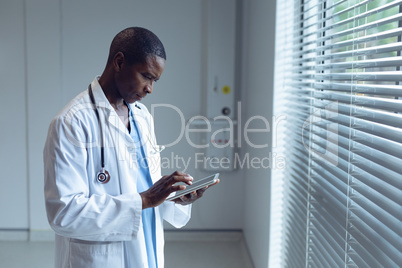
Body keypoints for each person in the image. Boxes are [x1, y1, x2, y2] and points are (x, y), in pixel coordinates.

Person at [44, 27, 218, 268]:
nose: (150, 89)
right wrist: (143, 200)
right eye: (146, 76)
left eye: (155, 81)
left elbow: (145, 185)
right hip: (101, 258)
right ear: (119, 62)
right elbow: (63, 213)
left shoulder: (142, 116)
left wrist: (174, 195)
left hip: (146, 247)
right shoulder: (71, 122)